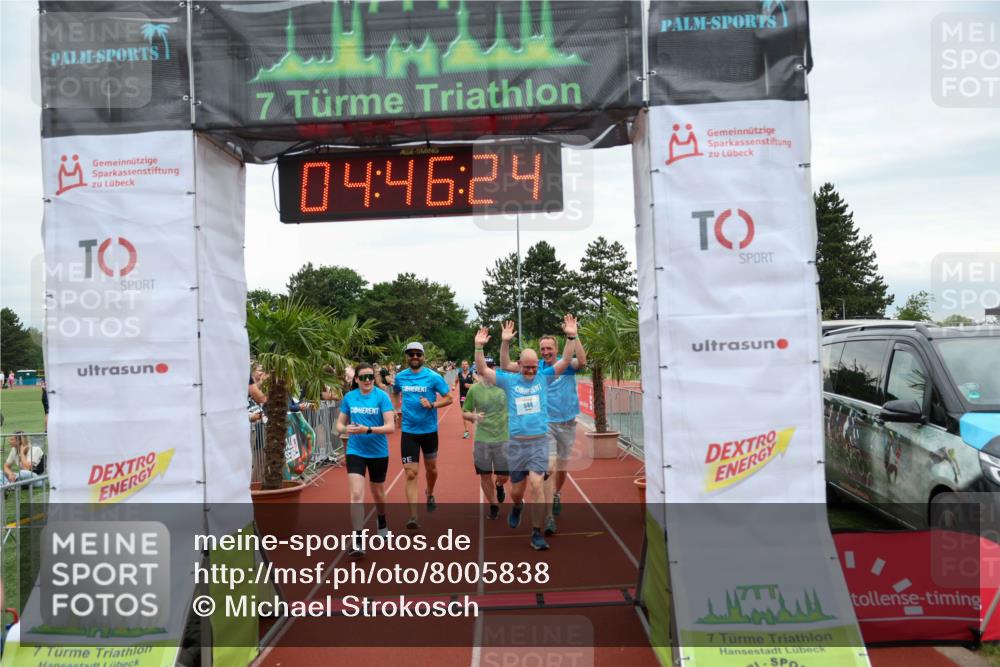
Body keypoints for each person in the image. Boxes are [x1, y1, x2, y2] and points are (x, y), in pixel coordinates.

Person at [474, 316, 576, 551]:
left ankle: (536, 532)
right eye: (526, 366)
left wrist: (571, 336)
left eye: (533, 366)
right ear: (519, 365)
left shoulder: (544, 377)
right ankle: (518, 506)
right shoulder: (509, 381)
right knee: (517, 491)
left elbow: (566, 360)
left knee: (537, 484)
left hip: (539, 442)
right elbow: (482, 369)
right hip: (517, 445)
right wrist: (481, 346)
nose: (530, 371)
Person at [501, 330, 586, 535]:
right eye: (543, 349)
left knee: (562, 468)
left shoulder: (564, 366)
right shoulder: (535, 368)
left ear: (556, 350)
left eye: (549, 348)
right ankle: (548, 518)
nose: (546, 352)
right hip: (545, 425)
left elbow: (581, 362)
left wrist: (574, 337)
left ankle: (556, 494)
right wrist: (505, 343)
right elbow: (506, 366)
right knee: (549, 468)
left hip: (567, 423)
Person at [336, 362, 396, 557]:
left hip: (378, 451)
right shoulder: (349, 397)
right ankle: (358, 539)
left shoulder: (382, 397)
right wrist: (347, 430)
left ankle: (382, 519)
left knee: (378, 493)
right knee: (356, 494)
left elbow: (390, 427)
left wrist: (368, 429)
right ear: (356, 380)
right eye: (363, 377)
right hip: (355, 450)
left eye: (370, 376)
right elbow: (339, 424)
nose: (367, 380)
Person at [393, 342, 452, 529]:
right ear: (407, 357)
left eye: (418, 354)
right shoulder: (400, 377)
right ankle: (413, 516)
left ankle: (430, 492)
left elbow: (449, 398)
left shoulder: (433, 377)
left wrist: (433, 405)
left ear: (423, 356)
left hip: (429, 431)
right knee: (411, 473)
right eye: (411, 354)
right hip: (409, 432)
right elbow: (395, 393)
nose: (415, 357)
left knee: (431, 469)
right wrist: (396, 409)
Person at [462, 357, 509, 520]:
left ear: (494, 369)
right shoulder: (474, 390)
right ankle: (493, 504)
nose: (487, 370)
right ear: (478, 371)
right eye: (483, 367)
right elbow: (464, 412)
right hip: (482, 439)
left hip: (503, 438)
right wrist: (474, 416)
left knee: (504, 476)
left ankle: (500, 485)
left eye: (490, 367)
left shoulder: (504, 388)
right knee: (485, 475)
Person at [453, 360, 476, 439]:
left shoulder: (472, 373)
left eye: (466, 364)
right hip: (462, 396)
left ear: (468, 365)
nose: (464, 366)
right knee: (464, 413)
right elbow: (455, 382)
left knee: (473, 413)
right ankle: (466, 432)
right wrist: (453, 386)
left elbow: (479, 382)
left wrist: (471, 385)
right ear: (461, 366)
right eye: (463, 364)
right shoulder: (459, 374)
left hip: (472, 396)